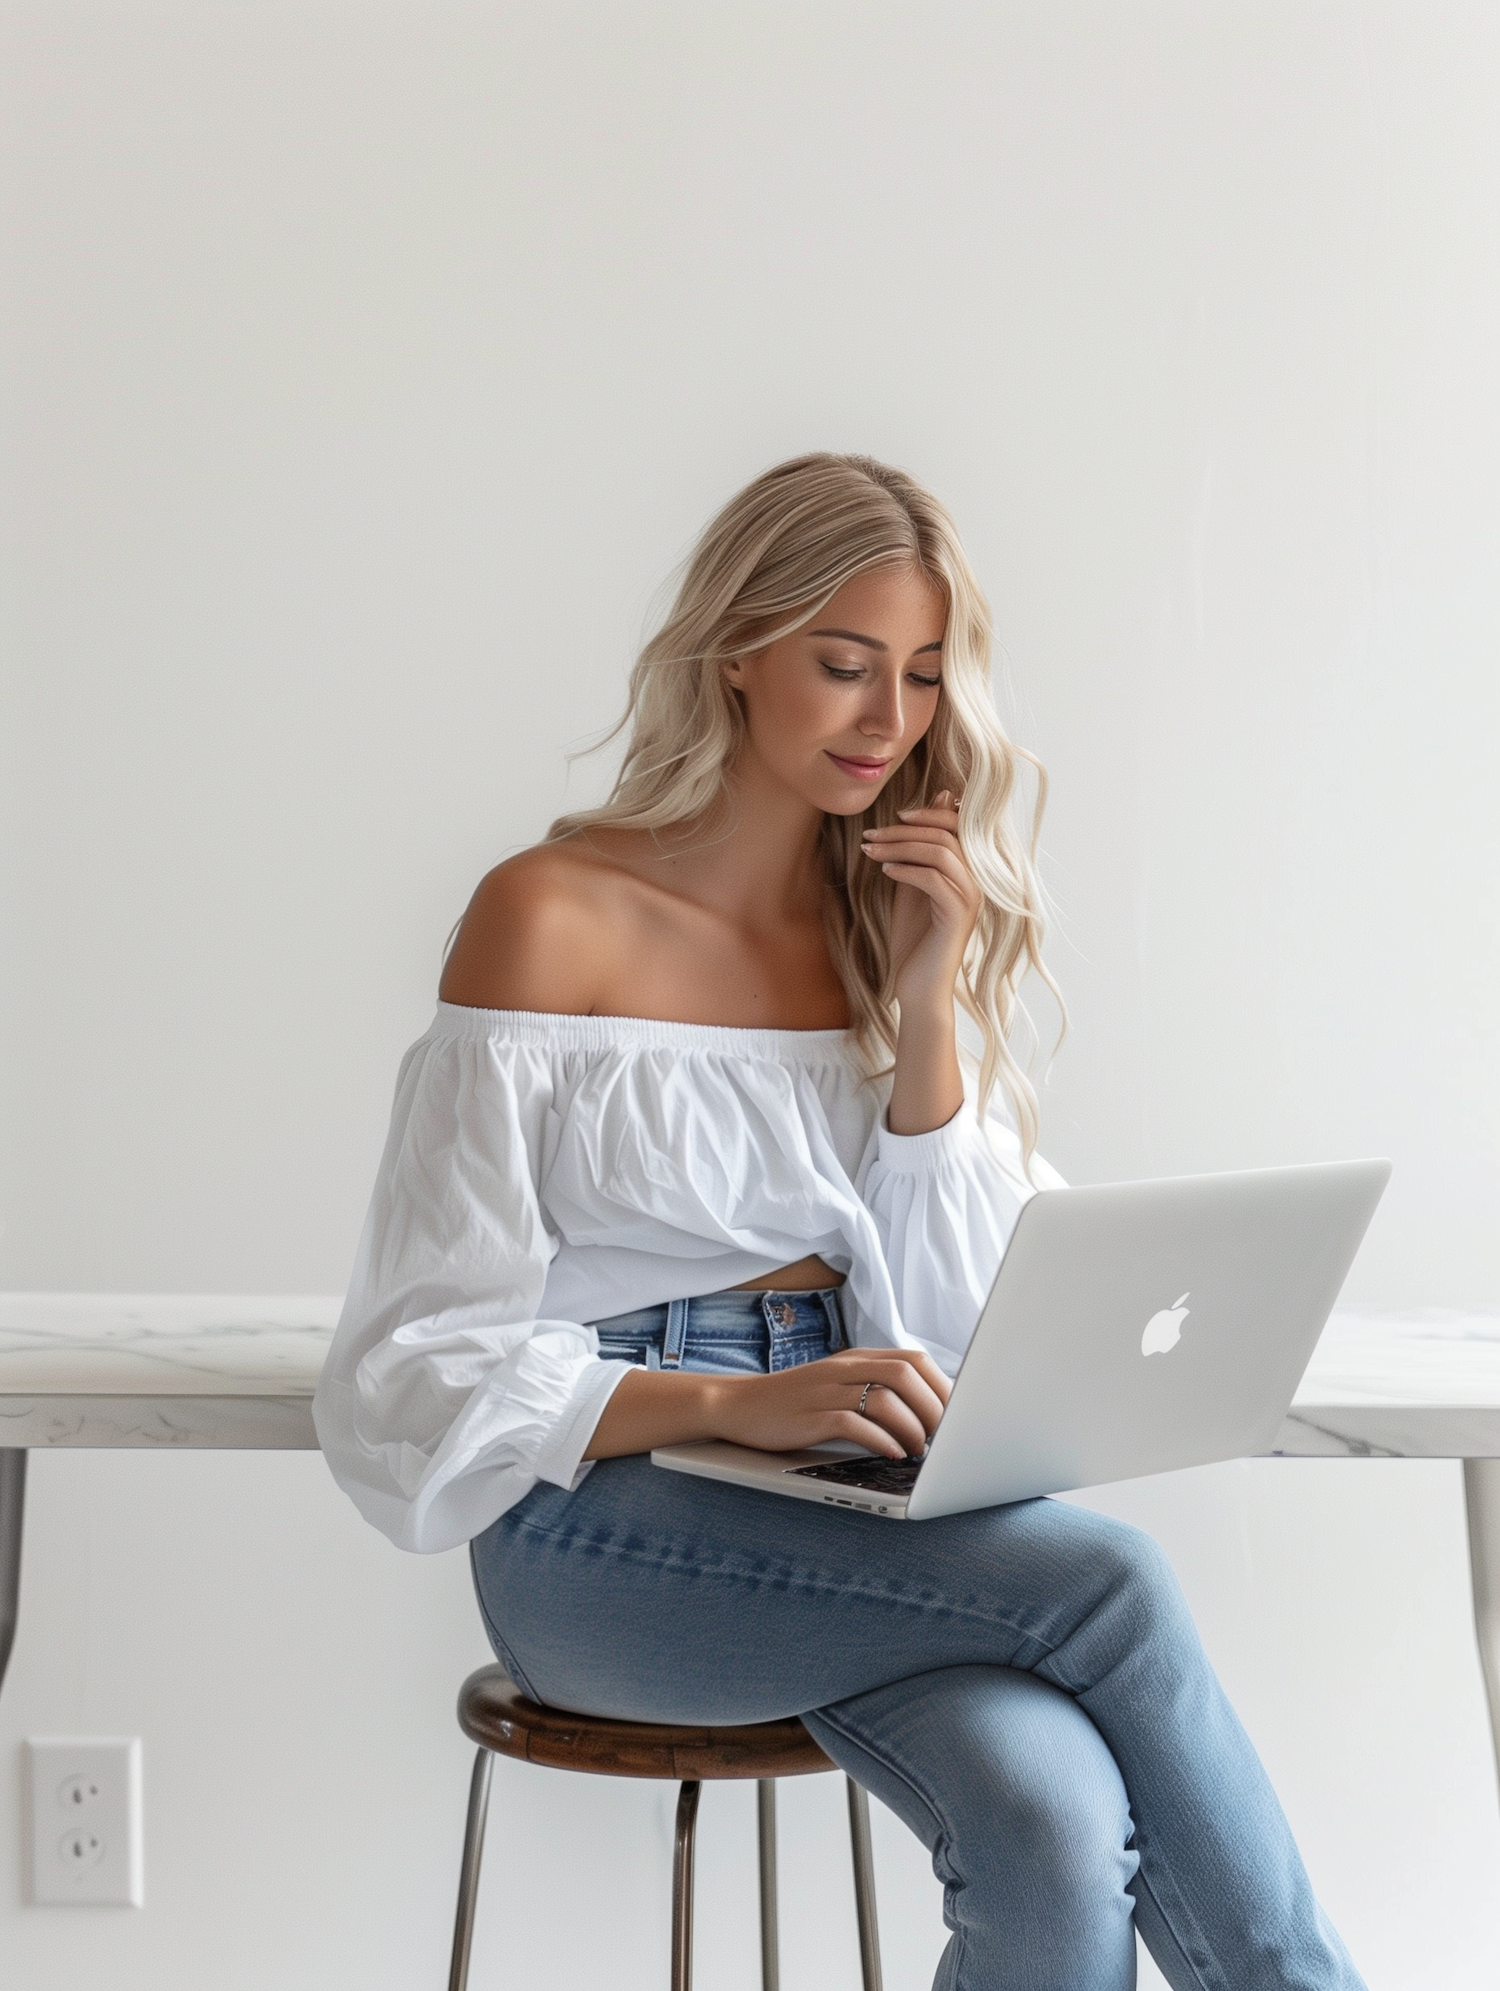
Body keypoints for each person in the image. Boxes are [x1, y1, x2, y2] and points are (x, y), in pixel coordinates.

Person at [314, 453, 1364, 1990]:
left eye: (926, 677)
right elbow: (411, 1364)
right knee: (1113, 1582)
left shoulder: (888, 924)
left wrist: (930, 1003)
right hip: (597, 1520)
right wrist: (734, 1399)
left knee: (1053, 1816)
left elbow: (956, 1317)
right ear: (737, 649)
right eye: (845, 664)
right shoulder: (551, 913)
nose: (891, 721)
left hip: (857, 1492)